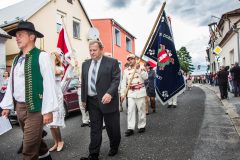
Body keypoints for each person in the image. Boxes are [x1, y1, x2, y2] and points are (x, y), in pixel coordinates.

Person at [0, 21, 58, 160]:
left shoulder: (42, 56)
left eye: (20, 35)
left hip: (36, 108)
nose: (17, 38)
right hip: (19, 107)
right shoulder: (16, 59)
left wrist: (48, 110)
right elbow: (12, 85)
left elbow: (49, 84)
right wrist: (7, 105)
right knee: (37, 143)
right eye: (16, 36)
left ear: (32, 37)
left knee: (29, 149)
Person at [81, 40, 121, 160]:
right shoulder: (85, 64)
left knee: (112, 128)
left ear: (101, 49)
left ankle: (114, 146)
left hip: (108, 101)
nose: (92, 53)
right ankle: (93, 154)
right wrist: (84, 99)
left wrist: (110, 93)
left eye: (94, 50)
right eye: (90, 50)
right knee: (95, 128)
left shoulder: (112, 62)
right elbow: (84, 83)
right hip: (92, 101)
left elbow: (116, 79)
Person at [120, 54, 148, 137]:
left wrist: (138, 69)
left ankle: (141, 126)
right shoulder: (126, 71)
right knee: (130, 111)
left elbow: (146, 77)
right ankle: (130, 128)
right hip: (131, 93)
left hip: (140, 92)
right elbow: (123, 83)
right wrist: (122, 94)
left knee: (141, 110)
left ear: (135, 59)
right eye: (129, 59)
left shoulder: (141, 67)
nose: (130, 61)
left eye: (132, 59)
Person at [47, 52, 65, 152]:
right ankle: (56, 142)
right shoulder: (50, 68)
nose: (51, 59)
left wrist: (53, 60)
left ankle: (60, 141)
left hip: (57, 96)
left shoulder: (60, 69)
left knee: (55, 121)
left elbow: (53, 73)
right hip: (50, 96)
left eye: (53, 57)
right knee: (50, 122)